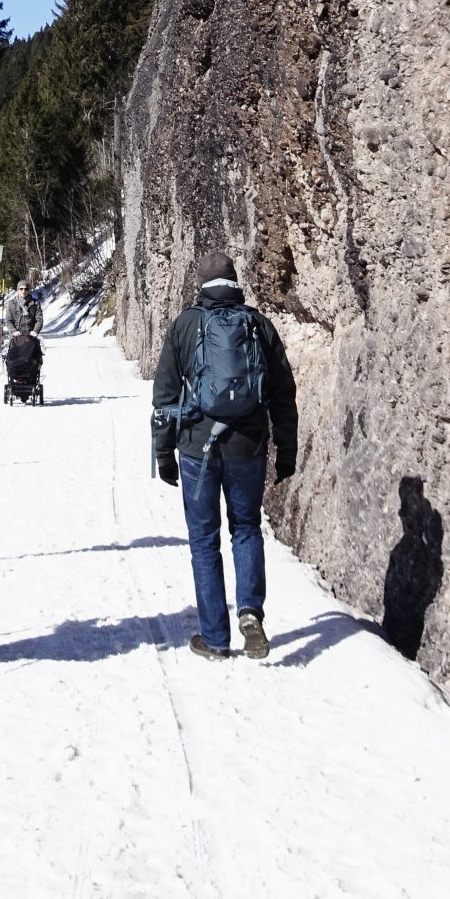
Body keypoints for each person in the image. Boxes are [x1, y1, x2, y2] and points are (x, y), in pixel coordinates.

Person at [151, 251, 298, 660]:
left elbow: (164, 396)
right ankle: (250, 611)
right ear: (234, 282)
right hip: (248, 447)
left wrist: (164, 453)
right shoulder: (258, 324)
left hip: (196, 448)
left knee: (204, 540)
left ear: (201, 284)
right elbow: (283, 393)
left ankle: (215, 638)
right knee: (246, 528)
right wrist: (286, 450)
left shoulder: (185, 325)